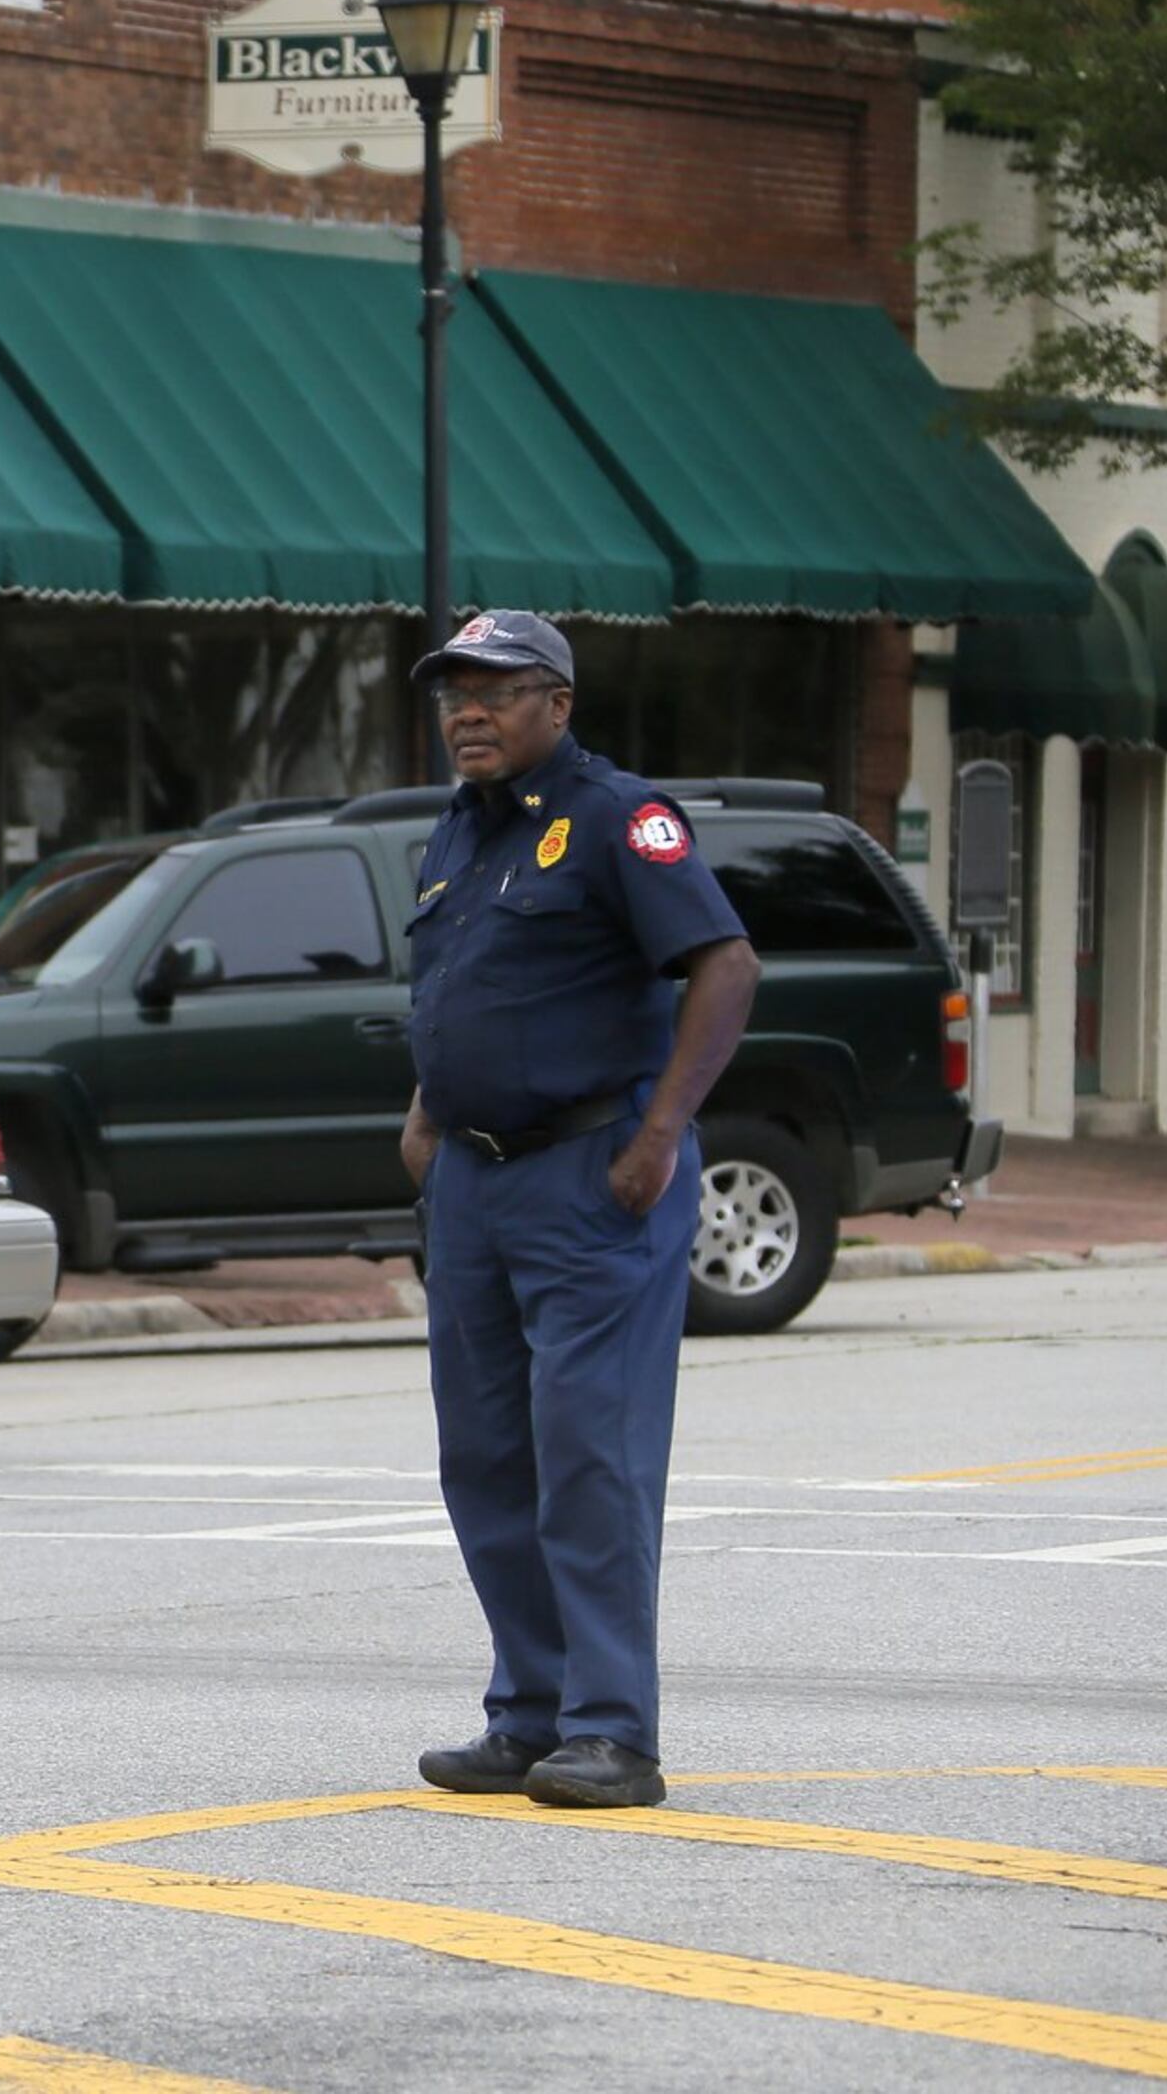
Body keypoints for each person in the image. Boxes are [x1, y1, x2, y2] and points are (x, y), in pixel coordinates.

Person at [400, 611, 758, 1810]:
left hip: (591, 1172)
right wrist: (427, 1106)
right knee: (486, 1455)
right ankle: (530, 1713)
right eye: (455, 691)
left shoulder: (618, 817)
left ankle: (613, 1728)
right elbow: (470, 987)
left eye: (495, 689)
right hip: (475, 1182)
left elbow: (726, 965)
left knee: (589, 1457)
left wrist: (660, 1135)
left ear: (557, 701)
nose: (468, 711)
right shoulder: (457, 832)